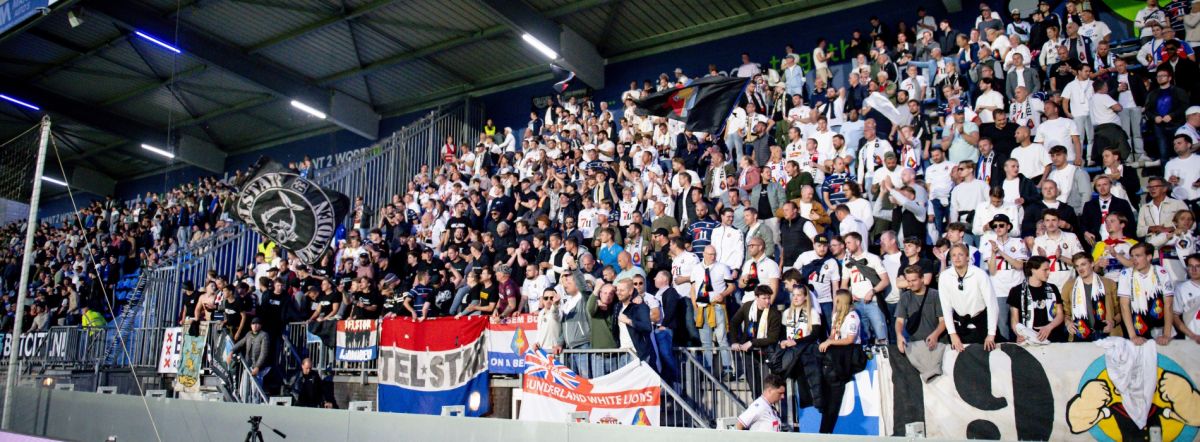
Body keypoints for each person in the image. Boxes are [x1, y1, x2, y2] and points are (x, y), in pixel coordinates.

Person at [938, 244, 999, 352]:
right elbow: (946, 308)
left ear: (967, 257)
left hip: (982, 324)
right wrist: (952, 334)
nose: (957, 258)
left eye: (960, 254)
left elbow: (992, 304)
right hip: (960, 326)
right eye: (954, 255)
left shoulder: (979, 274)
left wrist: (991, 334)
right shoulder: (944, 277)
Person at [818, 290, 863, 434]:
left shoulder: (852, 317)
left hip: (849, 355)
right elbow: (832, 334)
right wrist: (828, 341)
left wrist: (830, 343)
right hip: (836, 354)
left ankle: (827, 429)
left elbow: (850, 339)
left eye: (836, 301)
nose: (834, 304)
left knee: (834, 396)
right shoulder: (837, 316)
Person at [894, 265, 946, 383]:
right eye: (908, 281)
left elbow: (943, 321)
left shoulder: (935, 295)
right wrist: (899, 335)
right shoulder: (905, 297)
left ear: (922, 279)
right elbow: (899, 321)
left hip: (937, 344)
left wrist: (935, 335)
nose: (910, 284)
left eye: (914, 280)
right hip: (916, 346)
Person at [1118, 243, 1176, 345]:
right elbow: (1124, 305)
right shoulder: (1125, 274)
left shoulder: (1161, 272)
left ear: (1149, 257)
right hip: (1138, 328)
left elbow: (1169, 304)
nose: (1133, 259)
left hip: (1161, 328)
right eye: (1132, 256)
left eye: (1138, 256)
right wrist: (1133, 336)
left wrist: (1167, 334)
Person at [730, 285, 782, 393]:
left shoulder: (774, 313)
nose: (767, 301)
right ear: (756, 297)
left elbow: (773, 338)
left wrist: (752, 342)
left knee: (767, 384)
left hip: (766, 352)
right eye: (764, 298)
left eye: (769, 298)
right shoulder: (747, 307)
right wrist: (735, 341)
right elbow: (734, 323)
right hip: (748, 352)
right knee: (753, 383)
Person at [1062, 252, 1122, 342]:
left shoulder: (1109, 283)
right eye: (1077, 266)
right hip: (1079, 333)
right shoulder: (1069, 285)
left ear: (1092, 263)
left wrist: (1113, 323)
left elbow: (1121, 311)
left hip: (1106, 333)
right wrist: (1068, 323)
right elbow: (1065, 313)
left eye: (1083, 264)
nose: (1080, 269)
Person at [1008, 256, 1067, 344]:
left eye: (1049, 269)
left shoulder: (1053, 288)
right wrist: (1018, 334)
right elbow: (1014, 320)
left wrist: (1049, 327)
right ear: (1033, 270)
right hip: (1028, 338)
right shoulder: (1016, 291)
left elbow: (1060, 315)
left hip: (1052, 336)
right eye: (1045, 270)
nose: (1049, 272)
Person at [1172, 254, 1200, 344]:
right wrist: (1192, 335)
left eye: (1198, 266)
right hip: (1193, 342)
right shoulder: (1181, 288)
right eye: (1190, 266)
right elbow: (1174, 316)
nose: (1193, 270)